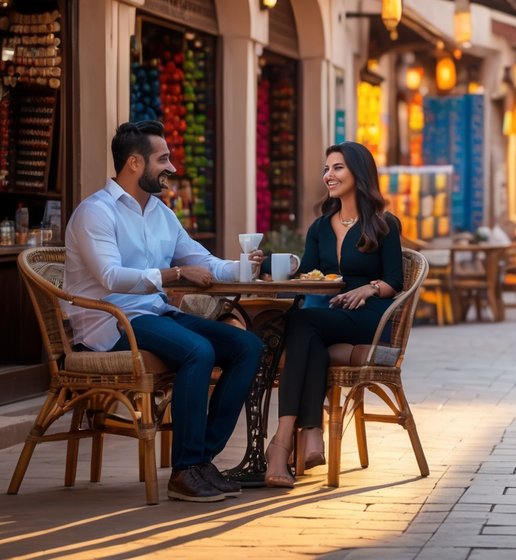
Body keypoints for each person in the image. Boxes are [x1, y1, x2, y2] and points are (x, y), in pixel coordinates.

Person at [64, 120, 263, 503]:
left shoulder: (160, 213)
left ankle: (200, 460)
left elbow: (202, 261)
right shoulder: (95, 212)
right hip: (110, 321)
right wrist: (173, 274)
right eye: (163, 159)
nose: (171, 167)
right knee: (197, 350)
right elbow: (109, 276)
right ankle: (186, 470)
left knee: (247, 347)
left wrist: (244, 267)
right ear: (135, 163)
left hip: (153, 316)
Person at [264, 142, 406, 489]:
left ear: (359, 172)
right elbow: (310, 275)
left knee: (301, 324)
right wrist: (274, 267)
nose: (329, 175)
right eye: (327, 169)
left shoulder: (384, 224)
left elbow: (394, 280)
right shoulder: (320, 227)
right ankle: (309, 431)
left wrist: (368, 289)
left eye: (338, 167)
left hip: (370, 317)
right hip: (326, 316)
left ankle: (283, 441)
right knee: (304, 329)